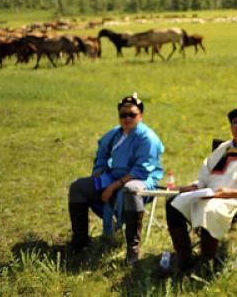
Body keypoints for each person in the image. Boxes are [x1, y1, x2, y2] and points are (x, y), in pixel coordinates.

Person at [163, 102, 237, 274]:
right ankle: (184, 257)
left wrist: (229, 193)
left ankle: (206, 261)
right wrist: (192, 187)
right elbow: (205, 175)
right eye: (234, 123)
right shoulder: (222, 148)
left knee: (210, 209)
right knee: (173, 204)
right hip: (209, 194)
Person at [68, 93, 165, 264]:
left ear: (140, 115)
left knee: (130, 190)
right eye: (123, 115)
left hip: (142, 180)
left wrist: (113, 187)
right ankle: (80, 241)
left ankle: (133, 249)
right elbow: (102, 152)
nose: (127, 118)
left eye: (132, 114)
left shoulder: (147, 138)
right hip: (114, 176)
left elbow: (141, 170)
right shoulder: (116, 133)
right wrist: (99, 171)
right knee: (78, 187)